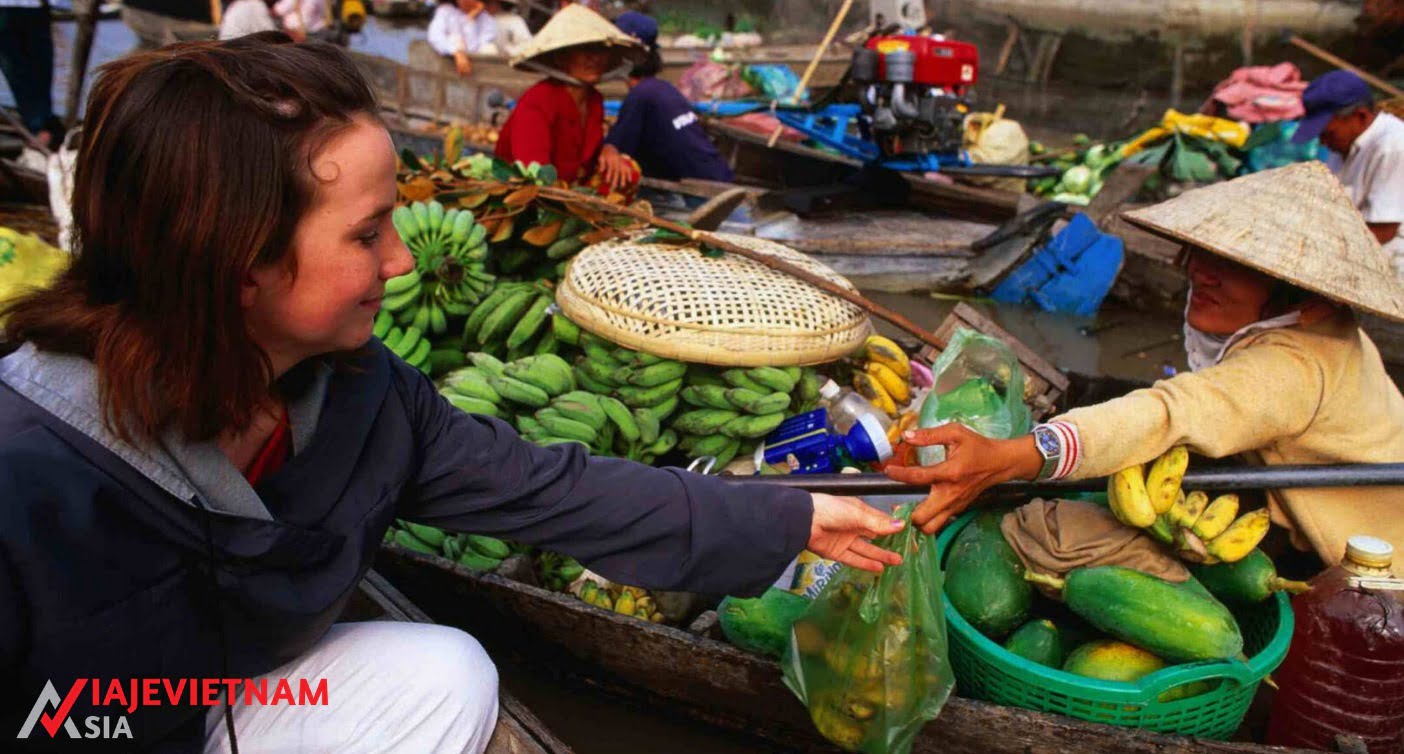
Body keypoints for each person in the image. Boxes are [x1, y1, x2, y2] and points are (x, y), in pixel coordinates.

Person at [0, 34, 902, 752]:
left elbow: (554, 489)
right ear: (238, 265)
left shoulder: (361, 396)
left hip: (211, 705)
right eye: (366, 234)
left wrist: (787, 521)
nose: (399, 260)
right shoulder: (28, 471)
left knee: (447, 673)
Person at [885, 161, 1404, 569]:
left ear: (1307, 298)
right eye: (1205, 253)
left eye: (1237, 266)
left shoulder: (1295, 366)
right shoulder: (1317, 328)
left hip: (1347, 560)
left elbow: (1176, 412)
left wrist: (1019, 454)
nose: (1202, 272)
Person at [494, 5, 641, 187]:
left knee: (627, 170)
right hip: (528, 196)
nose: (594, 58)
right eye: (584, 49)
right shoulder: (538, 100)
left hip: (571, 191)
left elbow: (587, 154)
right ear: (561, 58)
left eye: (599, 49)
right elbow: (533, 175)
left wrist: (608, 150)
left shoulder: (594, 99)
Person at [1292, 70, 1404, 274]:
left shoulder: (1393, 146)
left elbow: (1383, 231)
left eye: (1328, 134)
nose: (1322, 143)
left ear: (1360, 116)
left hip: (1391, 267)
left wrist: (1315, 256)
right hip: (1354, 255)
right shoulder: (1342, 146)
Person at [603, 12, 735, 184]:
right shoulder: (663, 88)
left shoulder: (641, 95)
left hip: (700, 191)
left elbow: (616, 150)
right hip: (720, 176)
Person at [0, 0, 62, 149]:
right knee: (17, 68)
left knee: (38, 65)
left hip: (35, 7)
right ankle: (40, 124)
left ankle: (42, 123)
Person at [428, 0, 498, 77]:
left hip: (477, 70)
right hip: (450, 66)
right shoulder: (445, 11)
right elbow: (435, 36)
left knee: (490, 48)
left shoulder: (487, 19)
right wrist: (456, 51)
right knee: (454, 38)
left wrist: (471, 18)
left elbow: (473, 48)